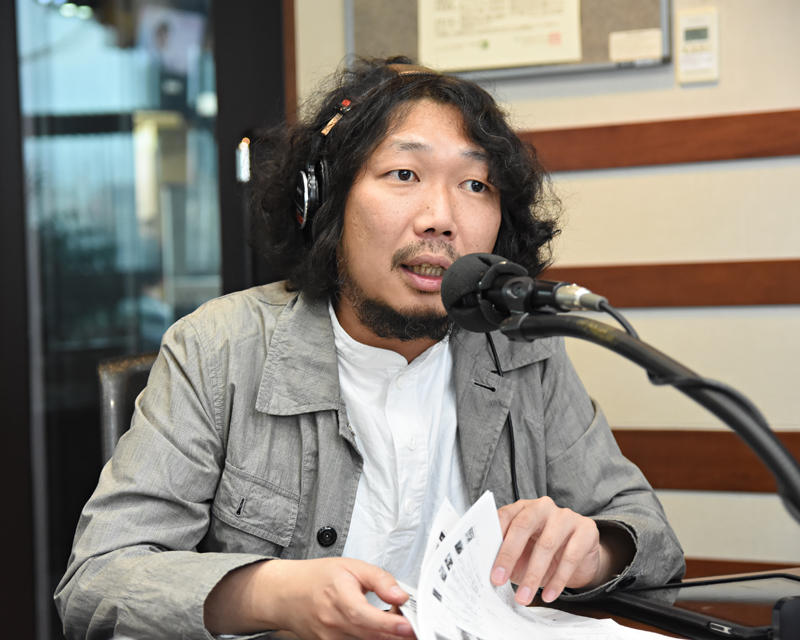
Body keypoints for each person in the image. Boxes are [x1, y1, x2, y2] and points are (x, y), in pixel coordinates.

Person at [56, 57, 684, 640]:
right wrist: (273, 594)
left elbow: (653, 540)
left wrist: (593, 549)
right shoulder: (218, 348)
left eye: (475, 184)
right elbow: (97, 580)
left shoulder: (521, 351)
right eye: (404, 174)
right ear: (323, 201)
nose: (441, 218)